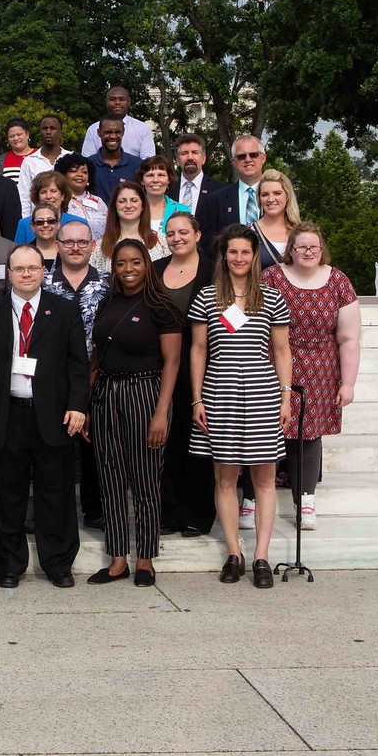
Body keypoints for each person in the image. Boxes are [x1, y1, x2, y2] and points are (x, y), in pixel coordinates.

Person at [0, 244, 90, 588]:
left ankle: (58, 564)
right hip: (7, 415)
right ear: (8, 274)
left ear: (43, 272)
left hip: (53, 417)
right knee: (7, 495)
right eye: (19, 269)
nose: (26, 274)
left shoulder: (64, 312)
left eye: (33, 268)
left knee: (56, 493)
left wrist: (78, 406)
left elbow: (77, 366)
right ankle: (8, 564)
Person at [189, 224, 294, 590]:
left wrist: (285, 396)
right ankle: (234, 552)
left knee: (264, 480)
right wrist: (197, 398)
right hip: (220, 392)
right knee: (226, 478)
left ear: (254, 257)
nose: (238, 258)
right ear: (224, 256)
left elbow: (281, 350)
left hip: (263, 393)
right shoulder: (206, 297)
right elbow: (198, 350)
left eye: (245, 252)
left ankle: (261, 556)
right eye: (232, 252)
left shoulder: (271, 298)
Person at [85, 239, 182, 587]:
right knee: (109, 478)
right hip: (106, 393)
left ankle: (145, 559)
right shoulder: (107, 302)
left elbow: (172, 362)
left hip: (145, 391)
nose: (128, 269)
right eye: (122, 263)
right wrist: (88, 404)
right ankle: (117, 560)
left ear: (146, 265)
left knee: (144, 479)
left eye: (136, 262)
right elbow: (97, 355)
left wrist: (161, 413)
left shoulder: (162, 307)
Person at [261, 221, 360, 531]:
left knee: (308, 435)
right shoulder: (272, 277)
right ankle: (251, 498)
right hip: (274, 360)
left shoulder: (338, 282)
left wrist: (348, 382)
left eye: (313, 247)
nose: (307, 252)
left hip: (321, 368)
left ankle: (305, 499)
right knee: (264, 432)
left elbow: (349, 338)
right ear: (291, 249)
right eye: (300, 246)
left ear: (322, 250)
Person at [43, 218, 110, 531]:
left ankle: (96, 509)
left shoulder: (109, 284)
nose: (75, 247)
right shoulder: (42, 284)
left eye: (82, 242)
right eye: (68, 242)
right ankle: (54, 511)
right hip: (53, 380)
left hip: (99, 376)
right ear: (57, 245)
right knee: (53, 450)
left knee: (97, 447)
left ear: (92, 246)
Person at [155, 212, 217, 537]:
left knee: (199, 441)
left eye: (183, 232)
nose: (177, 237)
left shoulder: (212, 270)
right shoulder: (156, 270)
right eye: (171, 233)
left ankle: (198, 513)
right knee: (167, 443)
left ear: (197, 234)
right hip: (163, 367)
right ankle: (168, 510)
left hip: (202, 366)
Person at [197, 135, 268, 253]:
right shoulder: (215, 200)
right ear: (234, 161)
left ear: (263, 158)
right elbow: (208, 245)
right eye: (241, 156)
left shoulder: (280, 197)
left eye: (253, 154)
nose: (248, 159)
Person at [97, 180, 164, 270]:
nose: (128, 205)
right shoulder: (101, 246)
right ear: (115, 206)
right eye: (122, 201)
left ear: (143, 205)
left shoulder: (162, 242)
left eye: (134, 200)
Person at [80, 84, 156, 159]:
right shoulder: (93, 129)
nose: (117, 102)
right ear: (106, 102)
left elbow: (147, 161)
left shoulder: (142, 129)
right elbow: (87, 161)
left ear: (129, 102)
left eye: (122, 99)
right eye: (112, 99)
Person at [17, 114, 72, 215]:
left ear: (60, 132)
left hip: (68, 219)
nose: (48, 132)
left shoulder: (71, 158)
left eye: (53, 128)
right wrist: (26, 221)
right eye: (44, 128)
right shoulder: (30, 161)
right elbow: (24, 197)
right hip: (39, 221)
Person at [86, 112, 143, 203]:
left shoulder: (137, 164)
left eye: (117, 132)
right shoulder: (87, 164)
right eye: (107, 132)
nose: (112, 136)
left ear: (123, 132)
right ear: (99, 133)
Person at [12, 171, 80, 243]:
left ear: (62, 196)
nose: (48, 196)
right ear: (37, 197)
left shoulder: (78, 223)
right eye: (43, 192)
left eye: (53, 191)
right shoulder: (24, 224)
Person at [252, 169, 301, 269]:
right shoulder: (250, 232)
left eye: (277, 193)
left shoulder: (300, 232)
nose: (271, 199)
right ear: (259, 198)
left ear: (287, 196)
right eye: (265, 194)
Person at [167, 134, 225, 217]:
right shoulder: (168, 190)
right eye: (184, 153)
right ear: (177, 160)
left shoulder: (220, 190)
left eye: (195, 152)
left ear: (203, 158)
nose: (190, 157)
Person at [57, 154, 107, 247]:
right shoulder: (59, 201)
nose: (80, 175)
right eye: (73, 171)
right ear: (63, 175)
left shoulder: (98, 201)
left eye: (84, 172)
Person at [138, 156, 186, 241]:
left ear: (168, 180)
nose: (155, 180)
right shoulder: (132, 209)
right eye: (150, 175)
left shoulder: (182, 210)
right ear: (142, 180)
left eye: (161, 175)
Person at [0, 118, 32, 186]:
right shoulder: (2, 159)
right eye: (11, 136)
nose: (16, 138)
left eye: (19, 134)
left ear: (27, 134)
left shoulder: (40, 155)